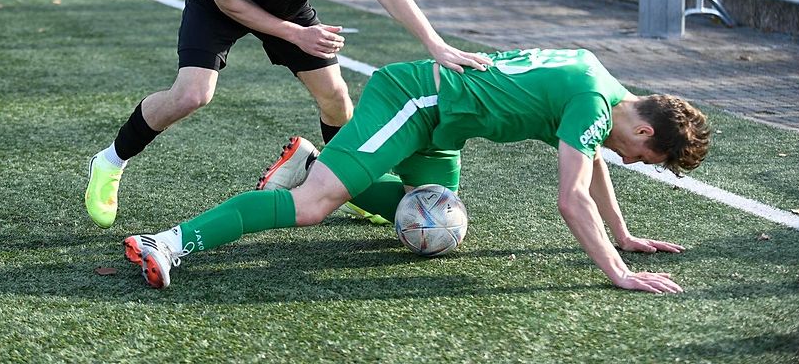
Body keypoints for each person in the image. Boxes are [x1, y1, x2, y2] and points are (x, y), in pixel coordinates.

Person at [84, 0, 491, 230]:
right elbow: (229, 5)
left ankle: (347, 185)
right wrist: (299, 35)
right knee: (192, 94)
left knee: (335, 95)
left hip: (285, 0)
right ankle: (110, 160)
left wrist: (435, 44)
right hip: (220, 3)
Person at [122, 47, 711, 292]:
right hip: (416, 101)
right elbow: (572, 199)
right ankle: (169, 242)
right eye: (644, 157)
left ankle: (310, 163)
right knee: (312, 208)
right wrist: (616, 271)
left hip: (444, 121)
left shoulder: (604, 86)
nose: (632, 161)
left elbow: (592, 169)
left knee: (433, 220)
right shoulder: (595, 104)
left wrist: (625, 235)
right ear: (644, 130)